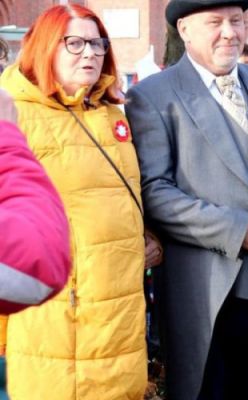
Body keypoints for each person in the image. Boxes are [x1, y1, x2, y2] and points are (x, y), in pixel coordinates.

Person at [125, 0, 248, 399]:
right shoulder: (153, 96)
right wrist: (234, 229)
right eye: (215, 22)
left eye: (236, 21)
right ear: (184, 30)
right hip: (207, 295)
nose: (230, 32)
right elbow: (154, 191)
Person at [0, 4, 160, 398]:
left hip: (120, 306)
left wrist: (148, 235)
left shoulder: (111, 114)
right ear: (45, 48)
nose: (89, 53)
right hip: (59, 314)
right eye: (74, 43)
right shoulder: (18, 115)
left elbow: (121, 193)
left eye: (97, 43)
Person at [0, 89, 70, 315]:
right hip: (44, 316)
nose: (89, 54)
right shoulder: (20, 113)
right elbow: (35, 262)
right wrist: (6, 139)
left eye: (100, 49)